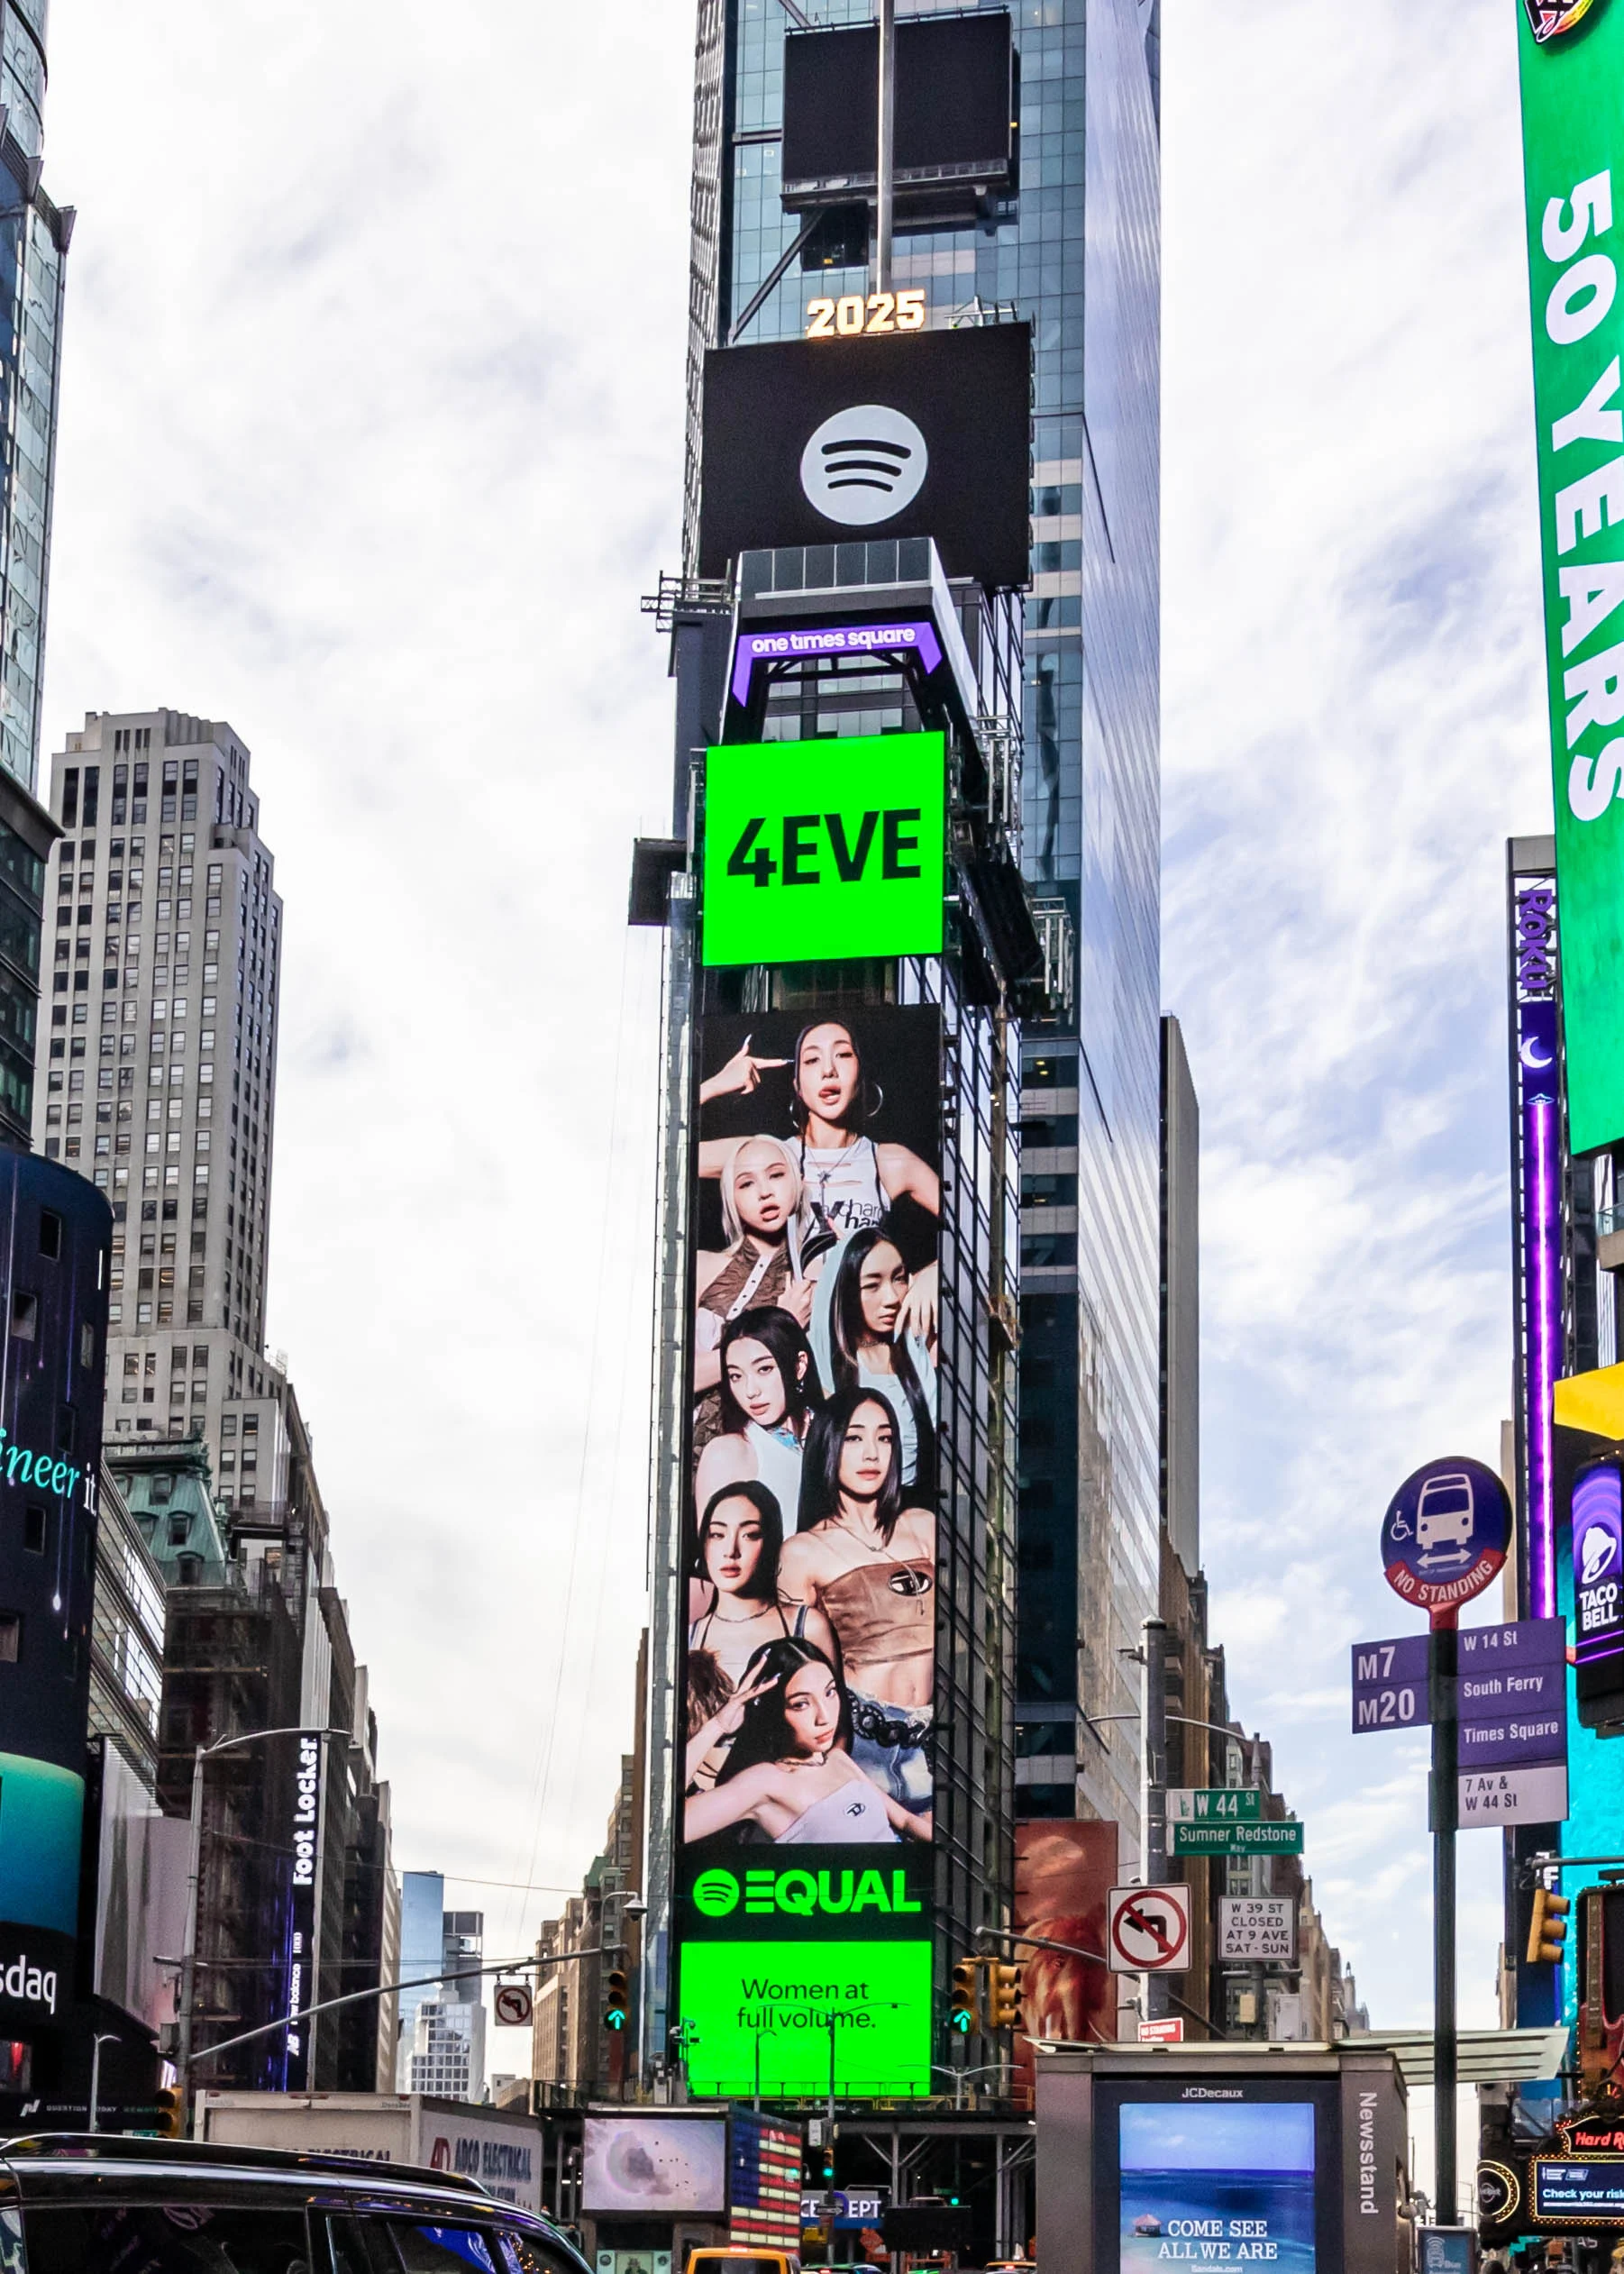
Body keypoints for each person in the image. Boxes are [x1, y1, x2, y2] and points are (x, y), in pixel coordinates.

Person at [778, 1388, 935, 1807]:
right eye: (854, 1437)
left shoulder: (923, 1527)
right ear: (829, 1445)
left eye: (884, 1438)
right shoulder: (802, 1552)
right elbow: (797, 1671)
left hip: (935, 1746)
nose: (872, 1453)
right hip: (861, 1747)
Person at [684, 1638, 931, 1844]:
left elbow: (905, 1821)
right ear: (774, 1711)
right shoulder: (766, 1781)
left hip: (902, 1878)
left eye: (830, 1692)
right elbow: (670, 1821)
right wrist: (717, 1725)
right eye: (801, 1704)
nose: (825, 1717)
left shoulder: (837, 1759)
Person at [810, 1226, 936, 1495]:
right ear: (846, 1290)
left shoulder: (916, 1351)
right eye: (872, 1285)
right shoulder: (823, 1360)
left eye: (899, 1279)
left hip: (915, 1504)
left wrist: (933, 1274)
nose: (891, 1298)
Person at [693, 1308, 820, 1528]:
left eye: (764, 1369)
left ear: (799, 1366)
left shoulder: (837, 1431)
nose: (750, 1391)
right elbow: (715, 1546)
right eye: (736, 1376)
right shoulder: (727, 1454)